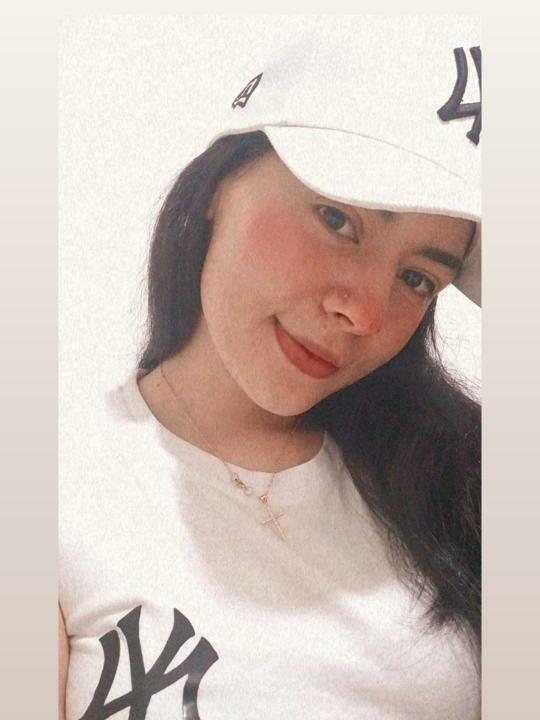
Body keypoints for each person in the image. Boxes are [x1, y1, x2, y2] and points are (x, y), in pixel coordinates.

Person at [59, 16, 481, 720]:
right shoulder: (56, 489)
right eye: (337, 220)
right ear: (221, 181)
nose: (364, 312)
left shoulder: (462, 489)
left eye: (416, 279)